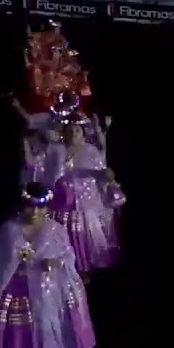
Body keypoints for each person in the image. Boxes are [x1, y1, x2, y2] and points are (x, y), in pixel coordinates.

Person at [0, 182, 97, 348]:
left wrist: (54, 263)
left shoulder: (55, 230)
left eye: (40, 207)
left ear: (47, 208)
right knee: (12, 337)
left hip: (41, 293)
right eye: (30, 206)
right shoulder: (9, 230)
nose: (35, 212)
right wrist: (11, 261)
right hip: (13, 291)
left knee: (33, 337)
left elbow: (67, 257)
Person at [39, 116, 123, 276]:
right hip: (62, 203)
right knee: (65, 237)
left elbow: (101, 171)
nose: (73, 133)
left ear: (83, 133)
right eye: (70, 130)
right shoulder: (56, 151)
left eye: (77, 130)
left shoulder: (90, 150)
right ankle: (70, 268)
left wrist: (105, 177)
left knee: (86, 236)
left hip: (86, 202)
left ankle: (87, 268)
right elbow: (47, 175)